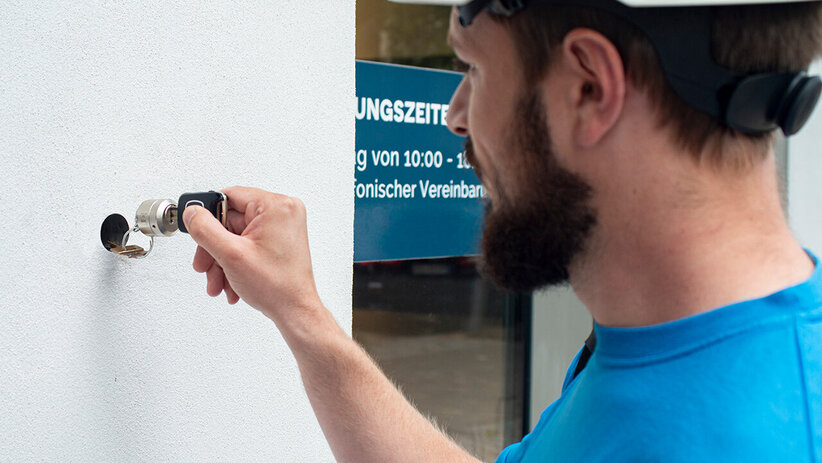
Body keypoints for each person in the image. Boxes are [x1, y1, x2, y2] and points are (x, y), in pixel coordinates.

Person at [181, 0, 822, 461]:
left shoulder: (753, 436)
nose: (455, 115)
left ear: (588, 87)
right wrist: (300, 313)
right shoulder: (660, 341)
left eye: (475, 69)